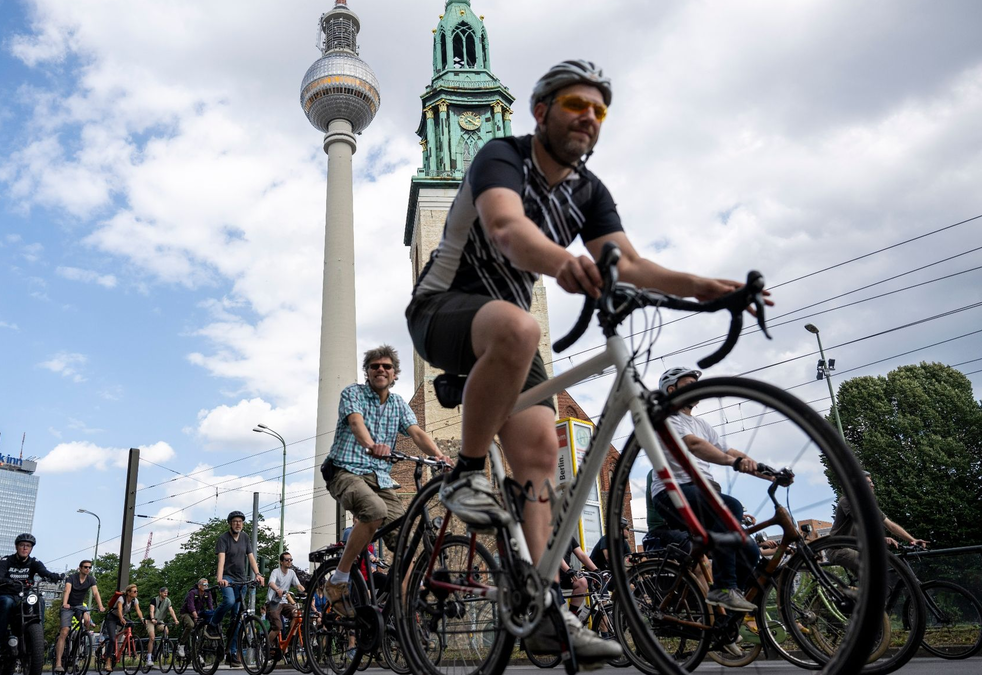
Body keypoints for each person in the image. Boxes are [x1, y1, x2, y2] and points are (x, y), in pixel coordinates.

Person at [406, 57, 757, 660]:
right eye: (576, 105)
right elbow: (507, 227)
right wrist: (563, 262)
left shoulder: (588, 191)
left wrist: (708, 288)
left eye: (599, 110)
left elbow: (634, 263)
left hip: (509, 339)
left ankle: (543, 607)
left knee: (542, 452)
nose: (589, 118)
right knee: (519, 326)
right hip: (445, 308)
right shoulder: (500, 156)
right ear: (540, 112)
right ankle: (465, 473)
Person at [323, 346, 450, 618]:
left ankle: (404, 616)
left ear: (394, 375)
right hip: (346, 471)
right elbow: (356, 423)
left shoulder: (398, 404)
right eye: (375, 366)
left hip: (381, 479)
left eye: (387, 367)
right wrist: (371, 445)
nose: (381, 370)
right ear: (367, 373)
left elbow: (416, 432)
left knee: (407, 539)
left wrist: (439, 456)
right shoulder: (352, 394)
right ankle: (338, 579)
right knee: (374, 512)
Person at [650, 367, 762, 612]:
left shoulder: (700, 423)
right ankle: (723, 589)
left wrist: (765, 471)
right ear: (671, 389)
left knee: (750, 550)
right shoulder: (667, 418)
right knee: (730, 505)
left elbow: (731, 451)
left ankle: (728, 619)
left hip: (702, 491)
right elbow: (694, 445)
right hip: (672, 491)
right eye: (688, 383)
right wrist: (731, 462)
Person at [827, 472, 929, 570]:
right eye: (868, 482)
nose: (873, 485)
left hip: (856, 549)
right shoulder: (847, 500)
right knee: (874, 566)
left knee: (873, 583)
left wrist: (912, 540)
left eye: (872, 482)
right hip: (838, 549)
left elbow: (890, 525)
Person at [0, 533, 64, 660]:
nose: (25, 548)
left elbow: (44, 572)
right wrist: (1, 578)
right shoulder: (6, 561)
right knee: (7, 603)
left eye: (28, 546)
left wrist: (54, 576)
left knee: (39, 600)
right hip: (5, 595)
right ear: (16, 547)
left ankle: (39, 636)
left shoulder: (34, 562)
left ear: (31, 549)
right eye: (22, 545)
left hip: (24, 597)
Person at [206, 511, 265, 666]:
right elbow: (221, 559)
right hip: (227, 578)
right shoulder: (223, 539)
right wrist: (220, 578)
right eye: (235, 521)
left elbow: (251, 557)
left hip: (241, 580)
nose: (238, 524)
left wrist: (257, 574)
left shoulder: (245, 537)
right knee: (230, 601)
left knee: (237, 620)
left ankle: (231, 654)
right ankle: (212, 625)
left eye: (240, 521)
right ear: (230, 523)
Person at [55, 560, 106, 673]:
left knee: (87, 620)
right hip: (68, 606)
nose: (88, 569)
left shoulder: (91, 579)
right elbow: (67, 590)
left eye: (89, 567)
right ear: (80, 568)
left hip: (79, 606)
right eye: (85, 567)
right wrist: (65, 603)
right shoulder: (72, 578)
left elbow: (96, 593)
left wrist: (101, 606)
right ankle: (58, 662)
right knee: (64, 631)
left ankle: (82, 638)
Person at [266, 552, 306, 657]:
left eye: (291, 560)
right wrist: (278, 589)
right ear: (281, 562)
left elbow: (298, 585)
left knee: (297, 614)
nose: (289, 562)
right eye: (287, 560)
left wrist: (306, 592)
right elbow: (271, 583)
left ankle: (290, 640)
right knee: (278, 627)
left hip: (284, 602)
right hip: (274, 602)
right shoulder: (276, 572)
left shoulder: (292, 573)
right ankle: (267, 645)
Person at [102, 584, 143, 672]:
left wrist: (142, 619)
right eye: (135, 591)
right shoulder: (121, 598)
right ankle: (108, 661)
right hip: (112, 618)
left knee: (132, 624)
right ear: (128, 593)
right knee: (112, 639)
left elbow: (138, 610)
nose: (136, 593)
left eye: (137, 591)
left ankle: (126, 639)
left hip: (121, 618)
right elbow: (120, 610)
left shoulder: (134, 600)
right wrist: (121, 619)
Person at [560, 537, 599, 615]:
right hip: (550, 575)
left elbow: (581, 555)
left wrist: (596, 571)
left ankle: (572, 615)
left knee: (582, 582)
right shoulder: (551, 533)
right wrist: (568, 570)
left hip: (564, 575)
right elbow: (556, 556)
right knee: (559, 609)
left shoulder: (569, 537)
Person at [145, 587, 178, 667]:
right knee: (152, 637)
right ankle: (149, 658)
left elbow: (171, 610)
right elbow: (151, 610)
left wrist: (175, 620)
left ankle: (162, 645)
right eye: (164, 592)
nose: (166, 594)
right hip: (150, 620)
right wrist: (152, 618)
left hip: (159, 620)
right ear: (160, 593)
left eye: (167, 593)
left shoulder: (168, 601)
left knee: (166, 631)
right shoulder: (154, 600)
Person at [180, 579, 214, 650]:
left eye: (207, 585)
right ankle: (181, 645)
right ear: (199, 586)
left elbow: (210, 605)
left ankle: (198, 651)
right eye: (204, 585)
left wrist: (213, 614)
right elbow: (190, 605)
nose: (206, 586)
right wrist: (195, 616)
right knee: (191, 625)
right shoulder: (192, 593)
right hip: (186, 613)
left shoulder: (208, 593)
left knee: (203, 629)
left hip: (198, 613)